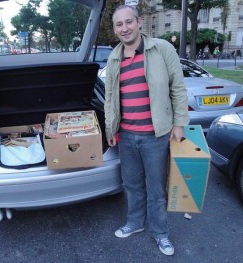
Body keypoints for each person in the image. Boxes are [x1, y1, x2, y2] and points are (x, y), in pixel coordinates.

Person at [104, 5, 189, 256]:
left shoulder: (161, 49)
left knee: (157, 189)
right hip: (127, 136)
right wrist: (111, 127)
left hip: (156, 135)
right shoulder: (114, 58)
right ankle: (134, 223)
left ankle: (161, 233)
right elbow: (110, 97)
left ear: (139, 22)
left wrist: (178, 123)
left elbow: (178, 88)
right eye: (119, 24)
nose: (124, 28)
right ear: (115, 29)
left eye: (128, 22)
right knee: (131, 185)